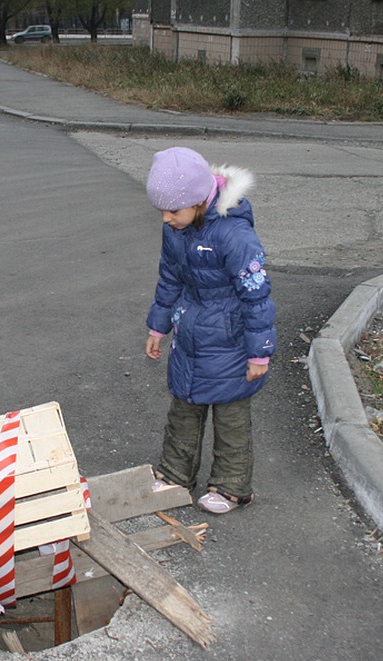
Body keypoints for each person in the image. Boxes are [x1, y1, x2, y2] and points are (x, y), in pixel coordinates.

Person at [143, 147, 276, 514]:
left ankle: (232, 486)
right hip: (189, 335)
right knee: (183, 409)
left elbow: (257, 295)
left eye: (174, 211)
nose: (167, 218)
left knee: (231, 417)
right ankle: (174, 475)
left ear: (200, 201)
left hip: (231, 341)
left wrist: (259, 351)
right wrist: (158, 326)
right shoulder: (176, 230)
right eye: (163, 211)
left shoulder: (235, 235)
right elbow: (169, 278)